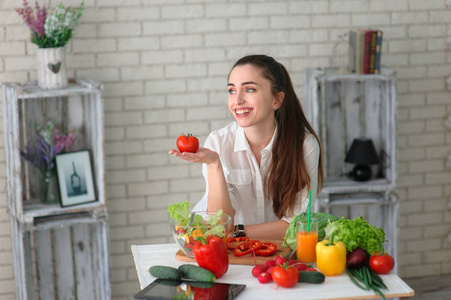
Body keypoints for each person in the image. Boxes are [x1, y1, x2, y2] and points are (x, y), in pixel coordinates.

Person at [169, 54, 323, 240]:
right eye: (232, 91)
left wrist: (235, 232)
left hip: (271, 251)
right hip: (229, 251)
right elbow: (219, 224)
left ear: (276, 100)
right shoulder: (218, 143)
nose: (237, 100)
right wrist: (213, 164)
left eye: (250, 89)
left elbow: (298, 225)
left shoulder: (304, 146)